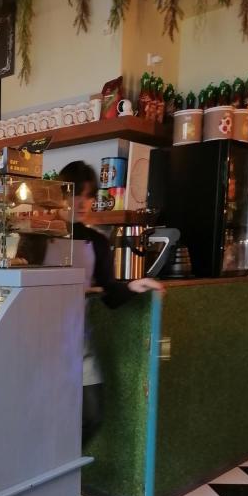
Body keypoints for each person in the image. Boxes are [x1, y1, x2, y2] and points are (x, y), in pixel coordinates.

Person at [57, 160, 164, 445]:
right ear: (61, 194)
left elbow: (109, 293)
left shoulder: (98, 242)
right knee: (48, 417)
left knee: (92, 415)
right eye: (75, 194)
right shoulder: (39, 236)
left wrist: (134, 286)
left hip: (79, 342)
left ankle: (65, 465)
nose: (82, 202)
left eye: (89, 195)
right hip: (41, 344)